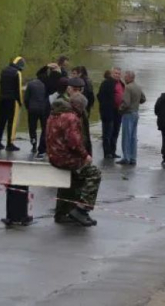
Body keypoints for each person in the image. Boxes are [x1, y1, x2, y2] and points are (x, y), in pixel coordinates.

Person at [46, 93, 101, 227]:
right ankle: (81, 210)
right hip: (66, 159)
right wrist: (85, 155)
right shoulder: (71, 118)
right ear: (79, 107)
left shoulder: (54, 114)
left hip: (54, 156)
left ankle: (62, 213)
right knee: (94, 173)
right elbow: (74, 142)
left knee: (71, 179)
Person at [0, 56, 25, 152]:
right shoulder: (17, 73)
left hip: (2, 98)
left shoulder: (4, 70)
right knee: (12, 123)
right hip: (12, 100)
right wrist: (20, 102)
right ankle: (10, 143)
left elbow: (0, 83)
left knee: (1, 121)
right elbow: (18, 90)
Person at [118, 71, 145, 166]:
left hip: (128, 114)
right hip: (136, 113)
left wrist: (119, 109)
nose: (124, 78)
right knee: (133, 137)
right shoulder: (138, 86)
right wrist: (136, 102)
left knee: (126, 136)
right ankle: (133, 158)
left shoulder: (128, 87)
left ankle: (126, 158)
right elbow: (143, 99)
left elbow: (126, 103)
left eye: (125, 77)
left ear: (130, 77)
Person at [24, 67, 50, 159]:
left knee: (32, 127)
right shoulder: (47, 85)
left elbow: (26, 98)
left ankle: (34, 144)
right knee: (44, 128)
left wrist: (28, 107)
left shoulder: (31, 84)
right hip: (43, 109)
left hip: (32, 109)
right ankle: (43, 145)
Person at [98, 69, 123, 159]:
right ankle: (107, 152)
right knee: (107, 133)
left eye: (119, 74)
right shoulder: (106, 83)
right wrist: (105, 107)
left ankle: (113, 151)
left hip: (118, 112)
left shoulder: (121, 83)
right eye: (115, 73)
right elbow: (99, 96)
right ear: (112, 74)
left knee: (115, 132)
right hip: (108, 112)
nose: (117, 75)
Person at [65, 77, 92, 157]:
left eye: (79, 90)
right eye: (75, 89)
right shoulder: (72, 111)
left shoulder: (80, 106)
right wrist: (85, 155)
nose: (77, 92)